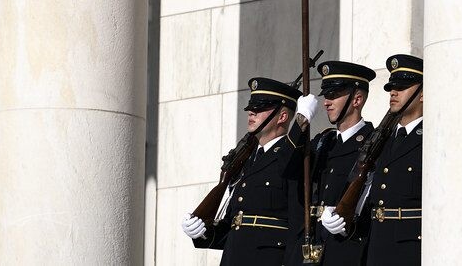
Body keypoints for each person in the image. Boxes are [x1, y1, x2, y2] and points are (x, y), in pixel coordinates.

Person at [181, 76, 318, 266]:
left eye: (260, 108)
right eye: (251, 108)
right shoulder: (248, 161)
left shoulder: (297, 158)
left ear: (283, 117)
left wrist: (300, 123)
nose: (251, 112)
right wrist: (204, 231)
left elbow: (297, 225)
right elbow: (235, 224)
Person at [321, 54, 423, 266]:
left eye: (402, 87)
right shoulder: (384, 140)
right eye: (392, 87)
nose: (393, 92)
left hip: (410, 249)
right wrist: (342, 213)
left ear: (422, 93)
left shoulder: (430, 139)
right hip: (376, 248)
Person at [287, 60, 377, 266]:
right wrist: (300, 120)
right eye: (326, 95)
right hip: (311, 249)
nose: (326, 102)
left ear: (357, 99)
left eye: (334, 95)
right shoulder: (322, 142)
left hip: (345, 250)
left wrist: (351, 223)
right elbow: (286, 167)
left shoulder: (373, 143)